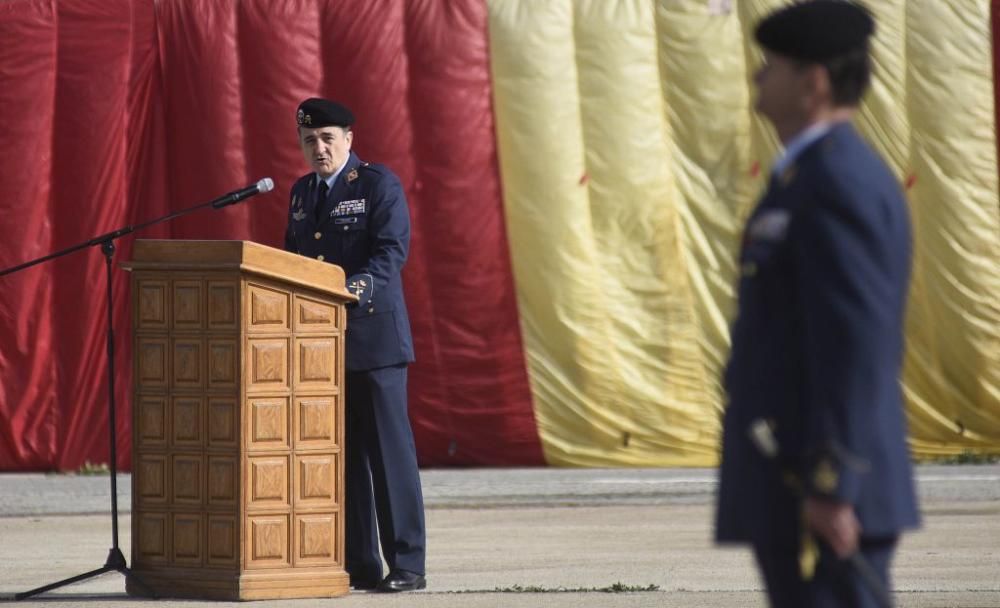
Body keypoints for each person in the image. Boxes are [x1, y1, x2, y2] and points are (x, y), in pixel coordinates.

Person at [715, 2, 920, 607]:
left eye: (771, 65)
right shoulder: (801, 176)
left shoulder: (840, 184)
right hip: (792, 478)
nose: (758, 77)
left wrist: (835, 481)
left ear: (814, 81)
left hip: (824, 487)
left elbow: (857, 343)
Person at [284, 98, 426, 593]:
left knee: (389, 457)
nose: (318, 148)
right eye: (309, 140)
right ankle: (360, 563)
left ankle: (407, 564)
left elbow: (392, 251)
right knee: (341, 460)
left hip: (374, 340)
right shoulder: (302, 194)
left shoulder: (374, 185)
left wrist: (359, 284)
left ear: (348, 138)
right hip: (321, 347)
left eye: (327, 138)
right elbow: (293, 262)